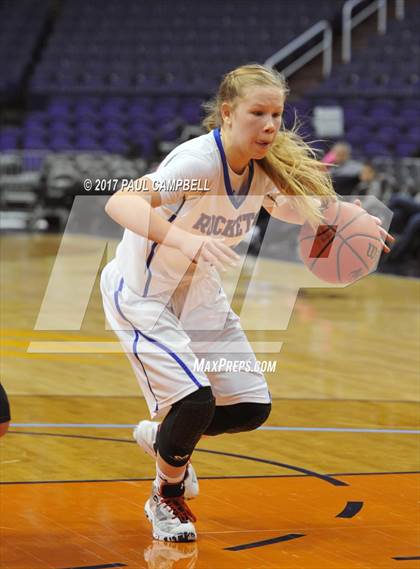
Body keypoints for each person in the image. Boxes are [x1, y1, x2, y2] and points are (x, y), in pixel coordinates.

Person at [101, 64, 390, 542]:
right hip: (143, 293)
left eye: (277, 113)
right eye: (259, 113)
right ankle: (164, 497)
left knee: (250, 408)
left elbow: (292, 209)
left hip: (198, 294)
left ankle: (165, 439)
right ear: (229, 114)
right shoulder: (197, 164)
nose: (271, 124)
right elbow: (121, 202)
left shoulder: (262, 169)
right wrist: (183, 240)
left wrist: (343, 215)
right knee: (194, 400)